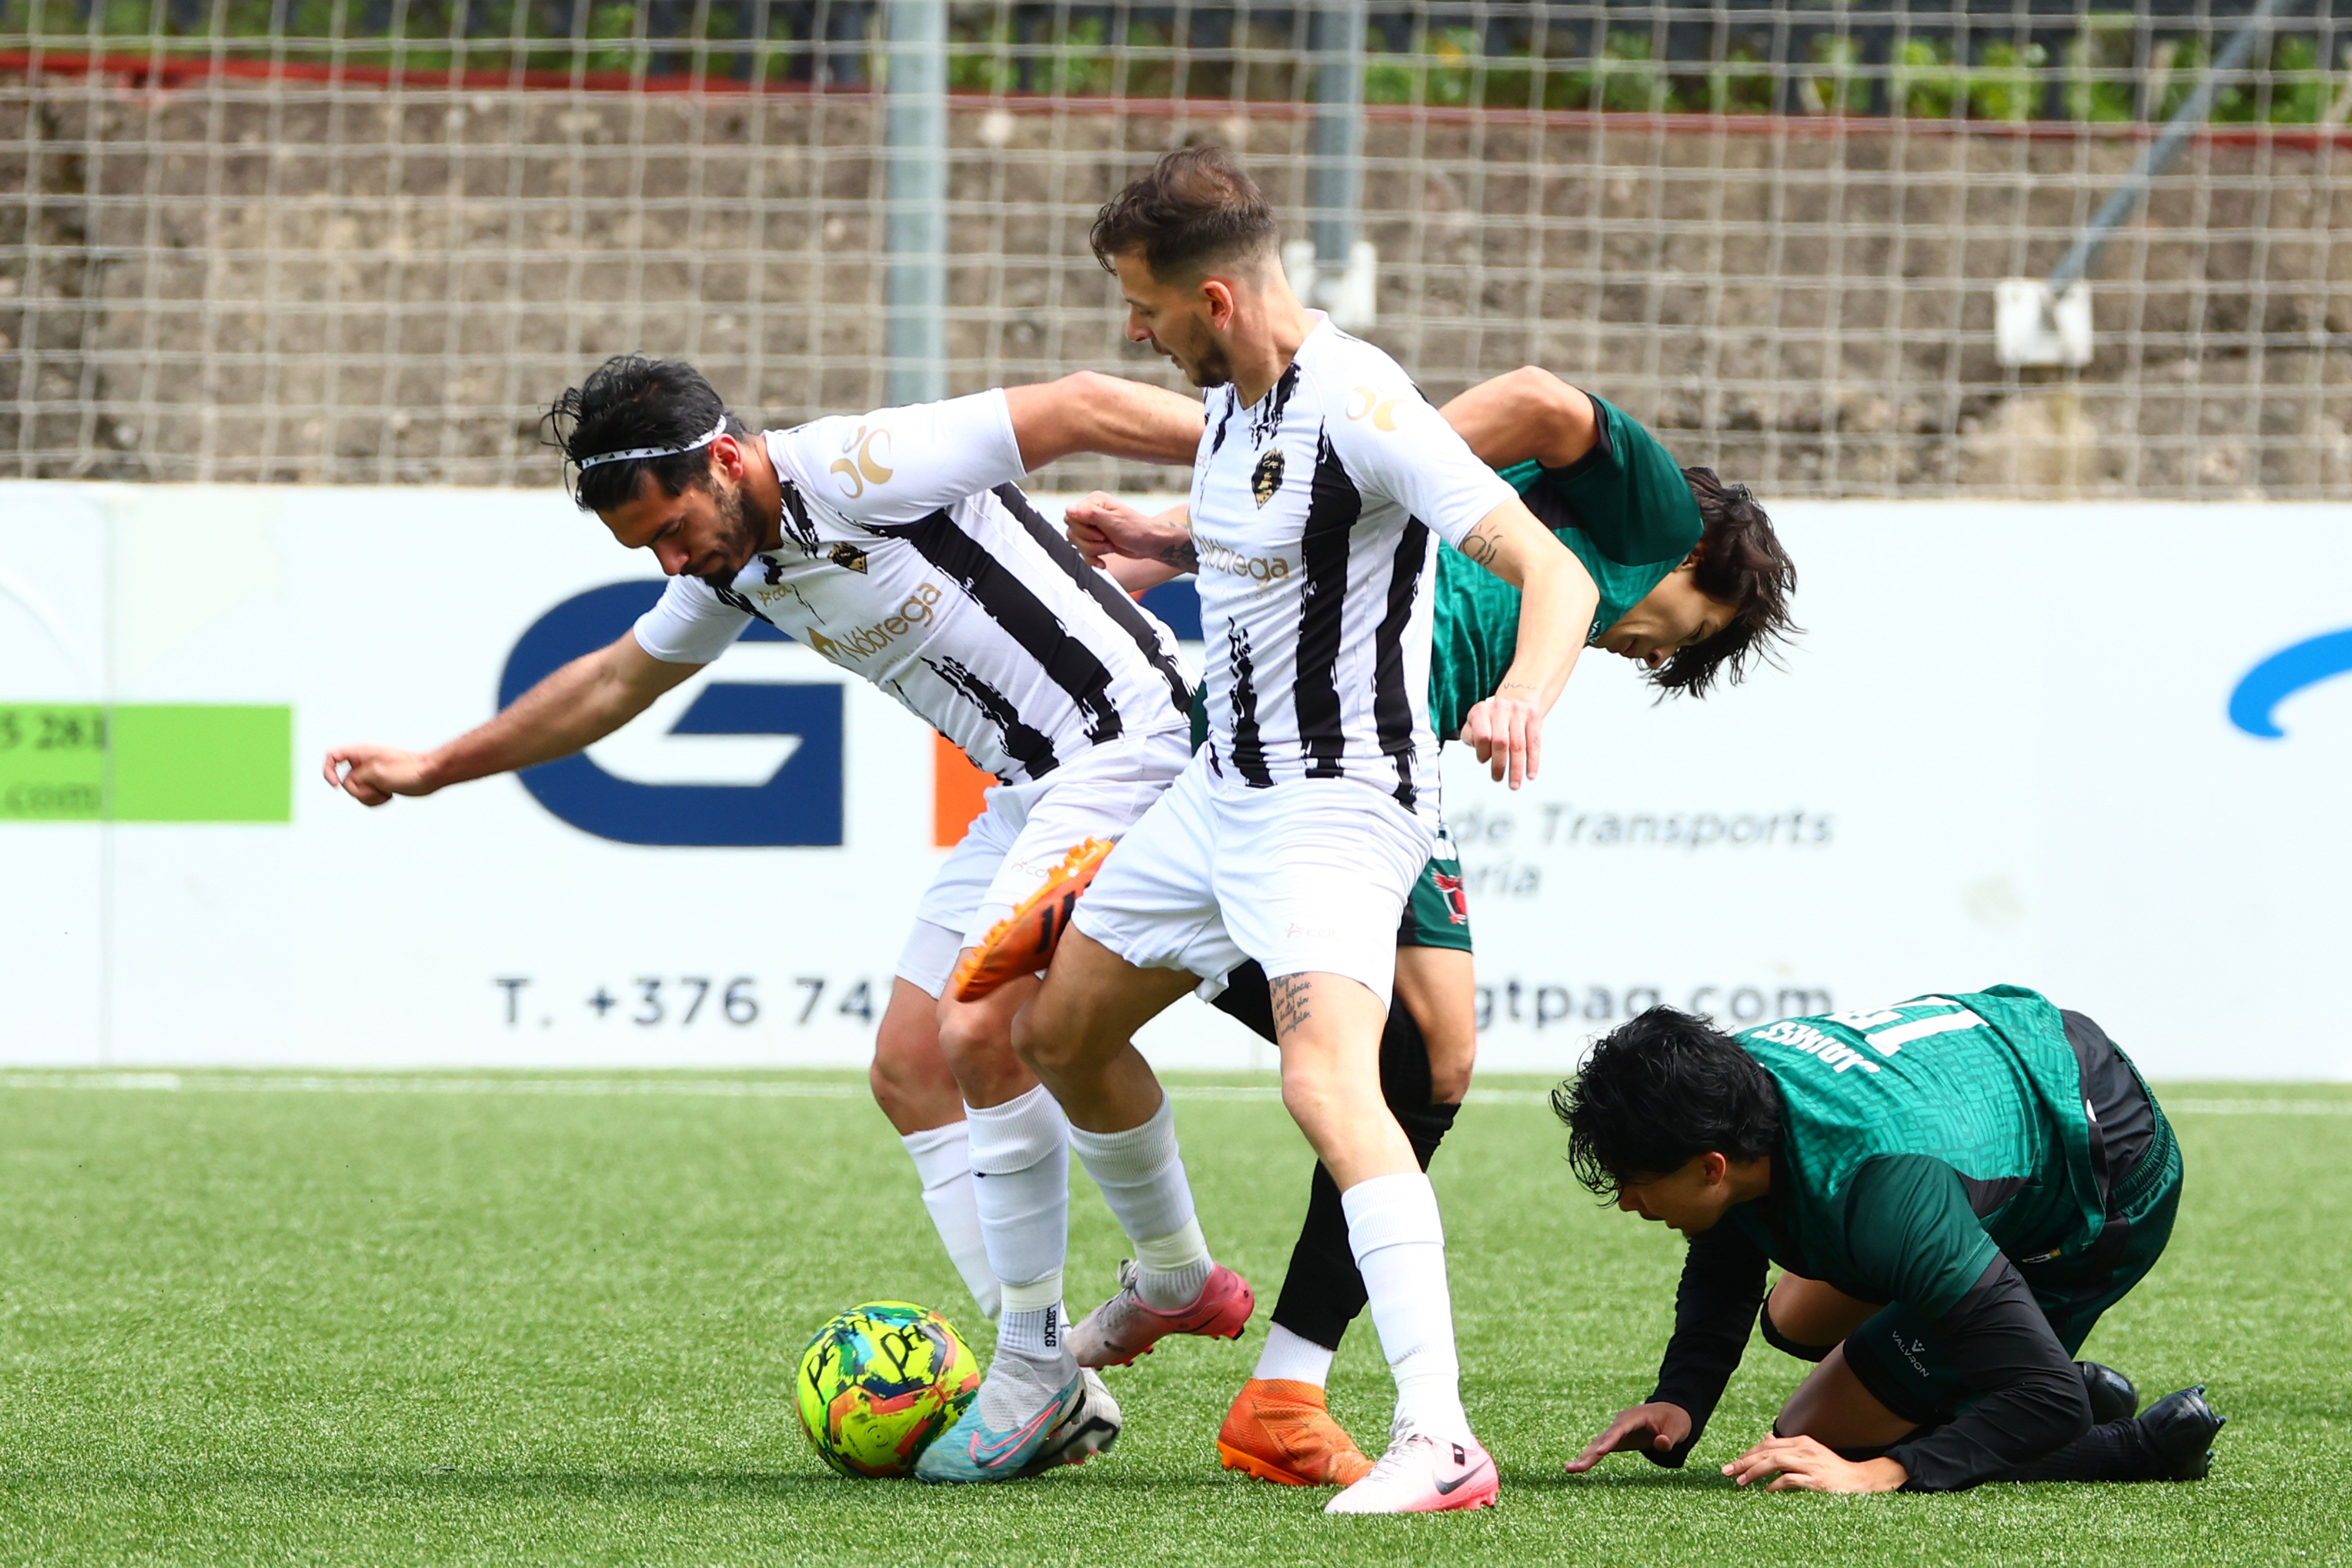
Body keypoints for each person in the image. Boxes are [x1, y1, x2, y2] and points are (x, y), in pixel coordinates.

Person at [320, 353, 1214, 1478]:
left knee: (984, 1022)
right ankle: (1051, 1368)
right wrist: (438, 767)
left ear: (727, 460)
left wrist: (1263, 458)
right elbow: (610, 685)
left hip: (1131, 747)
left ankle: (1046, 1364)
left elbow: (1080, 404)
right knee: (910, 1066)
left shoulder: (855, 466)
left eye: (674, 528)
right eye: (645, 549)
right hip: (1029, 789)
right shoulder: (733, 567)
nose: (672, 559)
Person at [964, 144, 1594, 1514]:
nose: (1134, 331)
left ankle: (1439, 1436)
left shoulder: (1361, 397)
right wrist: (1160, 540)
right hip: (1215, 798)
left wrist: (1523, 699)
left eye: (1145, 306)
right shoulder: (1236, 405)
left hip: (1335, 809)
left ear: (1219, 301)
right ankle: (1178, 1280)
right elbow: (1285, 533)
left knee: (1330, 1088)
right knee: (1053, 1032)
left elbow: (1553, 570)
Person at [1064, 364, 1798, 1488]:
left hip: (1380, 751)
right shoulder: (1648, 515)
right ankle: (1315, 1377)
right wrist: (1350, 477)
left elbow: (1319, 549)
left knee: (1437, 1061)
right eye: (1684, 635)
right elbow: (1541, 396)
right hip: (1317, 751)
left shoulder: (1518, 542)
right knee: (1362, 1075)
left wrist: (1188, 540)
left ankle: (1284, 1391)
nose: (1655, 655)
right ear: (1702, 559)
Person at [1552, 989, 2224, 1493]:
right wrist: (1682, 1399)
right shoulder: (1732, 1085)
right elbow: (1728, 1232)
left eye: (1634, 1181)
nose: (1627, 1202)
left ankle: (2142, 1448)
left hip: (2109, 1177)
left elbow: (2048, 1400)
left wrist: (1880, 1471)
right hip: (2014, 1074)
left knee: (1812, 1438)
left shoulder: (1887, 1201)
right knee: (1791, 1319)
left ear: (1710, 1167)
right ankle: (1980, 1370)